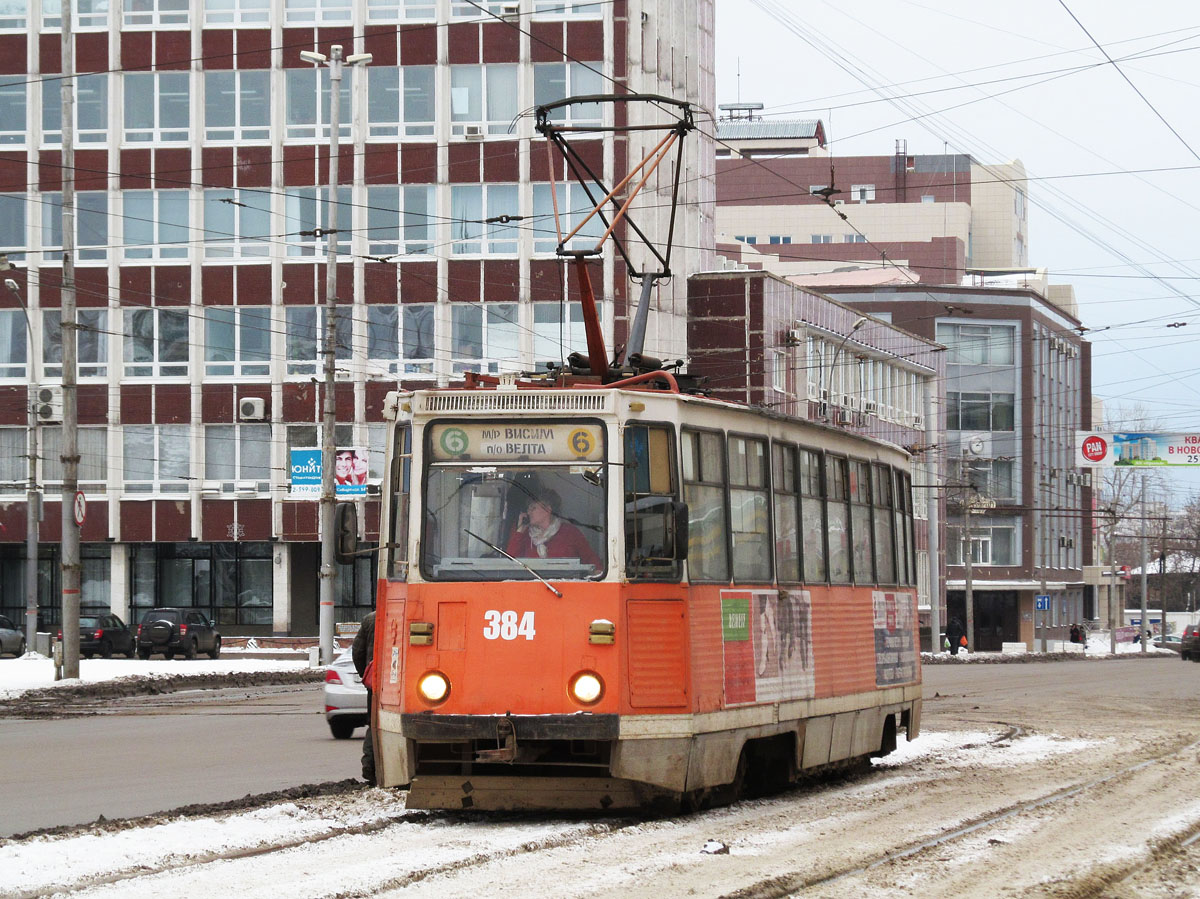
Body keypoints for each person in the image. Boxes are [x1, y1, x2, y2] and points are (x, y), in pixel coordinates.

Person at [506, 488, 601, 569]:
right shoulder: (523, 534)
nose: (528, 512)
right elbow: (508, 564)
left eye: (533, 508)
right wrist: (519, 532)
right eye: (528, 509)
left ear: (547, 509)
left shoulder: (570, 533)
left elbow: (591, 560)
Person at [351, 610, 376, 785]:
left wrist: (366, 674)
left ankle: (370, 766)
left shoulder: (370, 619)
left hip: (375, 681)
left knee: (374, 723)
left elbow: (357, 652)